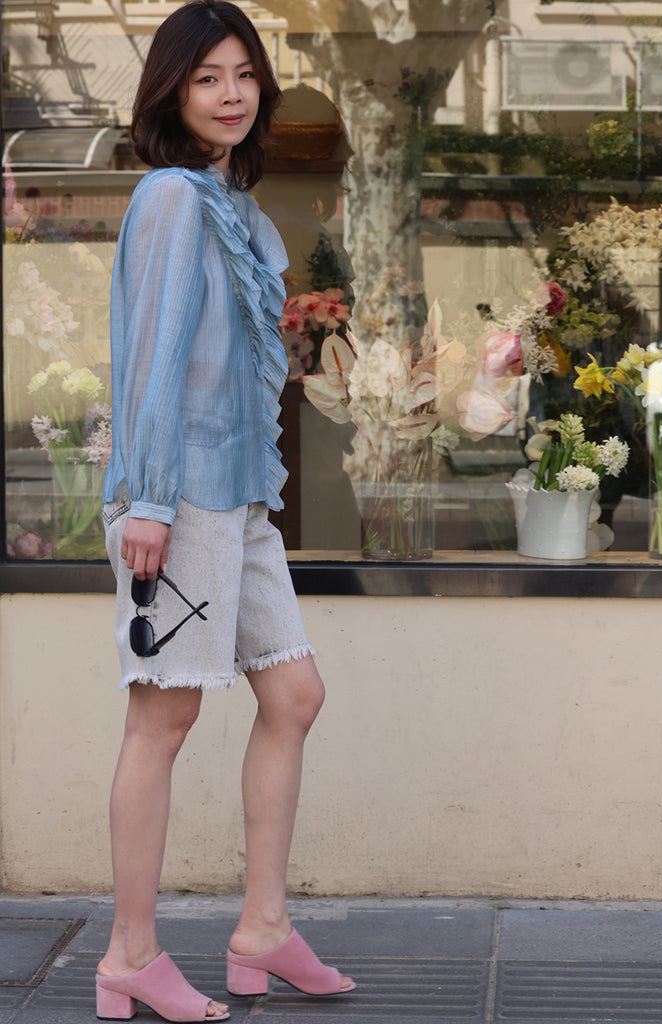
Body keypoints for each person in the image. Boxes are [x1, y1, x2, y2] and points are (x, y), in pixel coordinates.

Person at [95, 1, 356, 1019]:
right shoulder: (167, 197)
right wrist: (150, 500)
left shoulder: (231, 206)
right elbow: (153, 359)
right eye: (207, 76)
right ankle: (127, 954)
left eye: (245, 73)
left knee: (293, 697)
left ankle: (263, 928)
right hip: (178, 497)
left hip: (237, 500)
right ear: (171, 89)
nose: (232, 93)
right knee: (163, 718)